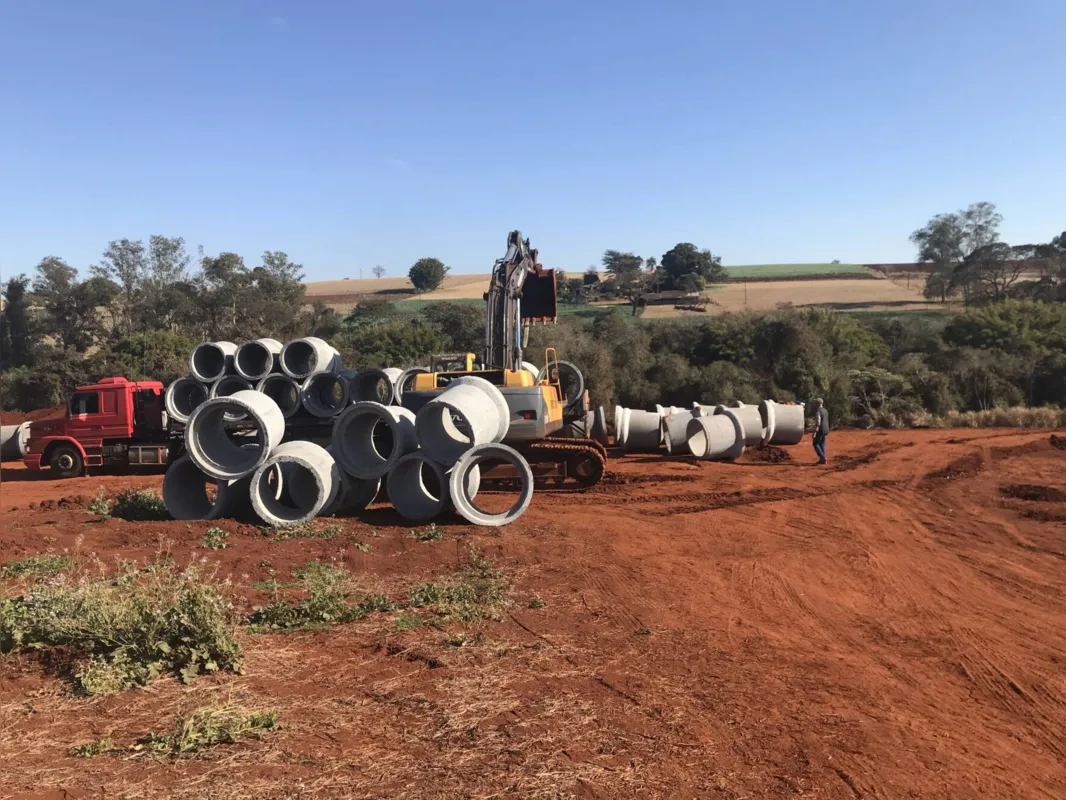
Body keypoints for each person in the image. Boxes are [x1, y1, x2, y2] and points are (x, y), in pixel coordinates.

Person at [811, 398, 829, 464]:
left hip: (820, 429)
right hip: (826, 429)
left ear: (817, 404)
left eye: (815, 403)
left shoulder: (818, 411)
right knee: (822, 443)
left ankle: (822, 457)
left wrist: (815, 432)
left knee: (815, 443)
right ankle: (822, 459)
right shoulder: (825, 410)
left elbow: (818, 422)